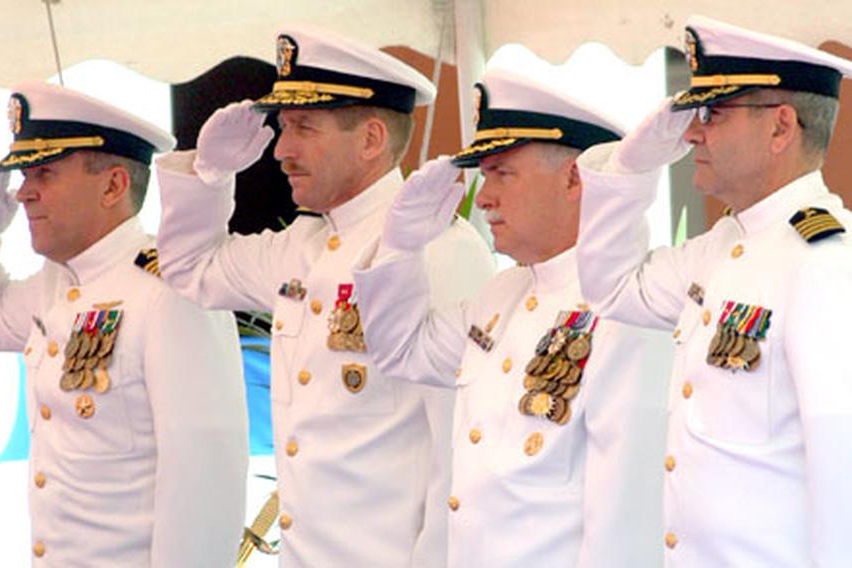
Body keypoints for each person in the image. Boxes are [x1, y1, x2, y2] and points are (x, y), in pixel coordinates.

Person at [154, 24, 494, 567]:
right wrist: (210, 174)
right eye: (283, 128)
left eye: (303, 127)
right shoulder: (304, 246)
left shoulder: (439, 249)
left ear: (370, 140)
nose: (282, 150)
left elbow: (461, 456)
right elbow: (191, 269)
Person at [352, 47, 672, 567]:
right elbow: (400, 351)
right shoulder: (501, 298)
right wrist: (400, 248)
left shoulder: (628, 308)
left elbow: (626, 516)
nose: (483, 198)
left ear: (575, 178)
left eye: (502, 173)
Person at [574, 15, 852, 566]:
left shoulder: (823, 261)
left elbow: (841, 469)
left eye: (714, 113)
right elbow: (611, 287)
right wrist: (632, 165)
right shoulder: (722, 245)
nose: (694, 132)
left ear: (780, 127)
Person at [0, 82, 249, 566]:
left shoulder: (170, 290)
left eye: (43, 172)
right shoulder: (58, 282)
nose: (24, 194)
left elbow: (204, 477)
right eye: (24, 175)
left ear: (113, 186)